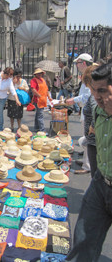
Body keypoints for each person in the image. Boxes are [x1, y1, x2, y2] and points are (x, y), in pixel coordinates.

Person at [66, 61, 112, 262]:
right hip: (101, 181)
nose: (96, 97)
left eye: (102, 91)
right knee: (84, 235)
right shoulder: (98, 108)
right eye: (94, 90)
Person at [65, 53, 93, 174]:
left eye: (77, 63)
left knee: (88, 138)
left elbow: (88, 95)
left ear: (84, 63)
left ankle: (88, 166)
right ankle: (87, 161)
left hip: (89, 111)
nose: (76, 65)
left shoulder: (90, 75)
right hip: (86, 110)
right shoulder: (86, 74)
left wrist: (74, 100)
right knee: (87, 137)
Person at [0, 67, 21, 133]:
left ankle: (0, 128)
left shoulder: (9, 80)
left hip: (1, 98)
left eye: (10, 76)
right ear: (4, 73)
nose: (8, 77)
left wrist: (17, 100)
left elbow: (13, 90)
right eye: (8, 75)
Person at [81, 65, 98, 178]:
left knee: (96, 175)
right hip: (94, 139)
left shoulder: (95, 96)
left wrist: (92, 127)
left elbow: (97, 113)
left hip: (94, 141)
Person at [30, 68, 52, 132]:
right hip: (38, 100)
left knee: (38, 114)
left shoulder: (43, 80)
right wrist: (39, 95)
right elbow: (33, 89)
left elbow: (46, 89)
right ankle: (42, 130)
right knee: (40, 115)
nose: (40, 74)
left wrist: (49, 97)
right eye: (38, 73)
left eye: (40, 73)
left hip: (43, 100)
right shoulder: (33, 80)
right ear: (35, 74)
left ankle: (36, 127)